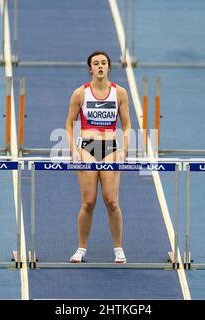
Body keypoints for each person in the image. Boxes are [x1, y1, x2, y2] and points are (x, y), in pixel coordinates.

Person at [65, 51, 131, 263]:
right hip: (87, 147)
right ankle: (81, 248)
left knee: (112, 201)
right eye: (96, 63)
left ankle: (118, 248)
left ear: (109, 68)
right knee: (88, 202)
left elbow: (127, 126)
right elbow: (69, 124)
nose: (100, 66)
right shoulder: (80, 94)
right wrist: (72, 149)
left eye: (104, 63)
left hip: (110, 147)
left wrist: (124, 150)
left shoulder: (120, 93)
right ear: (90, 69)